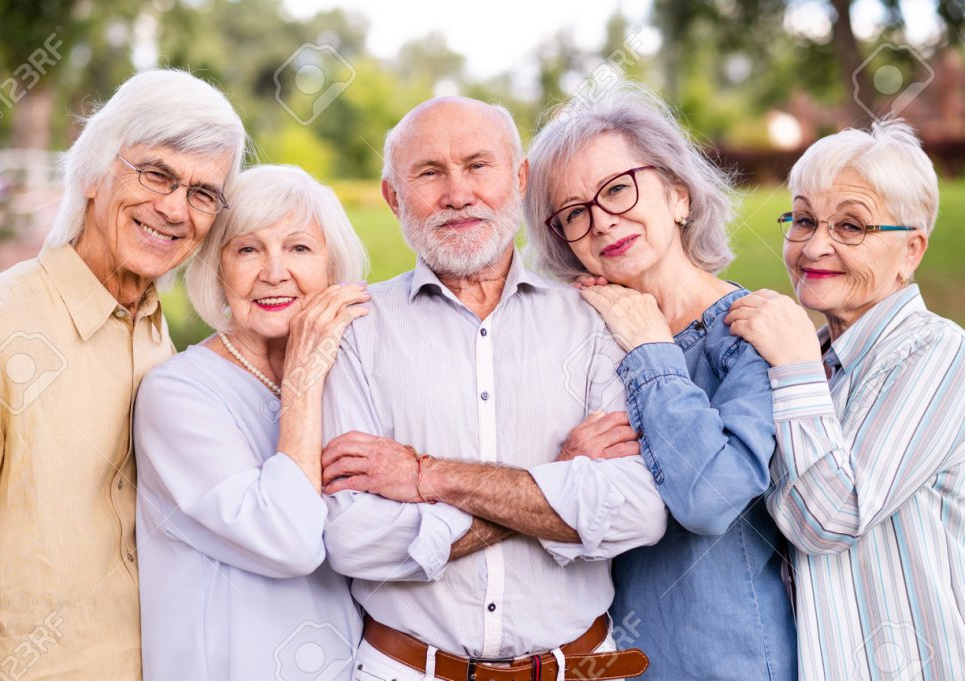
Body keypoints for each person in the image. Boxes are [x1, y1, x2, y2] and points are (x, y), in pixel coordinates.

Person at [319, 96, 668, 681]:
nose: (458, 194)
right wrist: (554, 483)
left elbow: (638, 513)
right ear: (392, 197)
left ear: (520, 177)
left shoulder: (592, 317)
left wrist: (427, 477)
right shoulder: (355, 327)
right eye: (429, 173)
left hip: (581, 668)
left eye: (478, 165)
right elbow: (352, 539)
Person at [0, 69, 246, 680]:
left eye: (202, 193)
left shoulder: (163, 336)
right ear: (91, 173)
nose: (174, 209)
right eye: (156, 173)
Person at [523, 86, 796, 680]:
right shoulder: (582, 340)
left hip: (727, 663)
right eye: (574, 213)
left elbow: (712, 499)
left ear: (677, 194)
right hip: (612, 662)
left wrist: (651, 349)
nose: (601, 222)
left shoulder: (752, 332)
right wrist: (567, 464)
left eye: (618, 188)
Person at [725, 120, 965, 680]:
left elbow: (828, 519)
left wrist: (793, 367)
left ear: (911, 250)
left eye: (850, 226)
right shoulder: (811, 361)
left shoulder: (940, 354)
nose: (814, 246)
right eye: (804, 219)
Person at [133, 164, 368, 681]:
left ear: (333, 268)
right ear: (217, 269)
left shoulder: (353, 379)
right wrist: (303, 382)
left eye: (300, 248)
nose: (274, 272)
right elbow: (290, 541)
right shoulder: (178, 393)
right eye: (247, 249)